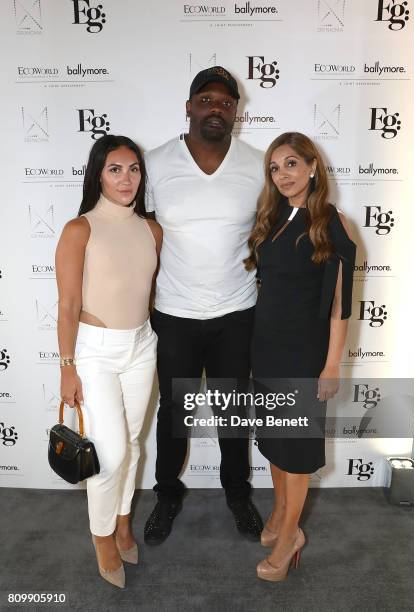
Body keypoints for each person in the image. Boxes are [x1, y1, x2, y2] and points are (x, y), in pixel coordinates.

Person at [143, 66, 264, 544]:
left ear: (237, 111)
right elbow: (143, 232)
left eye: (227, 102)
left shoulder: (258, 163)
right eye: (207, 99)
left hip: (237, 311)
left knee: (233, 411)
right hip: (174, 312)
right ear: (189, 106)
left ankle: (238, 494)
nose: (217, 108)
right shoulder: (154, 162)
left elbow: (277, 225)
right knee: (174, 413)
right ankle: (167, 495)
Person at [245, 132, 356, 581]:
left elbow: (340, 305)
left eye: (290, 164)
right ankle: (280, 515)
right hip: (266, 351)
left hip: (304, 358)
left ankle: (291, 535)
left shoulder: (331, 222)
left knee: (296, 454)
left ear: (312, 167)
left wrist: (331, 365)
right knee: (274, 444)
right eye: (274, 167)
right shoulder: (271, 219)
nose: (282, 174)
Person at [55, 135, 162, 588]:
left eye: (133, 168)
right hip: (95, 351)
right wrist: (67, 365)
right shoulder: (80, 228)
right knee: (111, 452)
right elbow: (67, 304)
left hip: (142, 345)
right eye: (115, 169)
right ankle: (102, 536)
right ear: (98, 173)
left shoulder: (151, 229)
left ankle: (122, 523)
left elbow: (147, 292)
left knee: (134, 443)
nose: (126, 178)